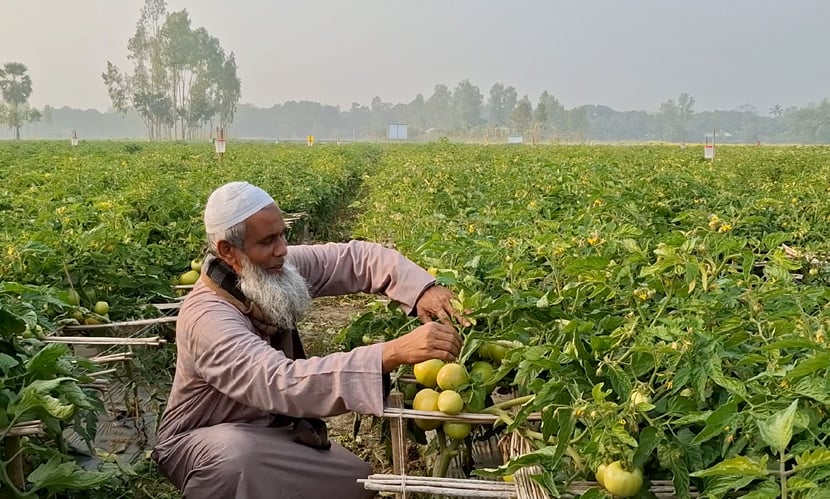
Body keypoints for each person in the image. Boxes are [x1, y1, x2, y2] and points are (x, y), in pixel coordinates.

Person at [152, 181, 467, 498]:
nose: (282, 249)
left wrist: (422, 288)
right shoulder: (208, 318)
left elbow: (353, 259)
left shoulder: (267, 269)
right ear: (228, 251)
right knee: (236, 459)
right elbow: (279, 381)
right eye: (268, 241)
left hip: (268, 430)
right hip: (201, 443)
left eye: (282, 234)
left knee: (356, 482)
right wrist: (390, 353)